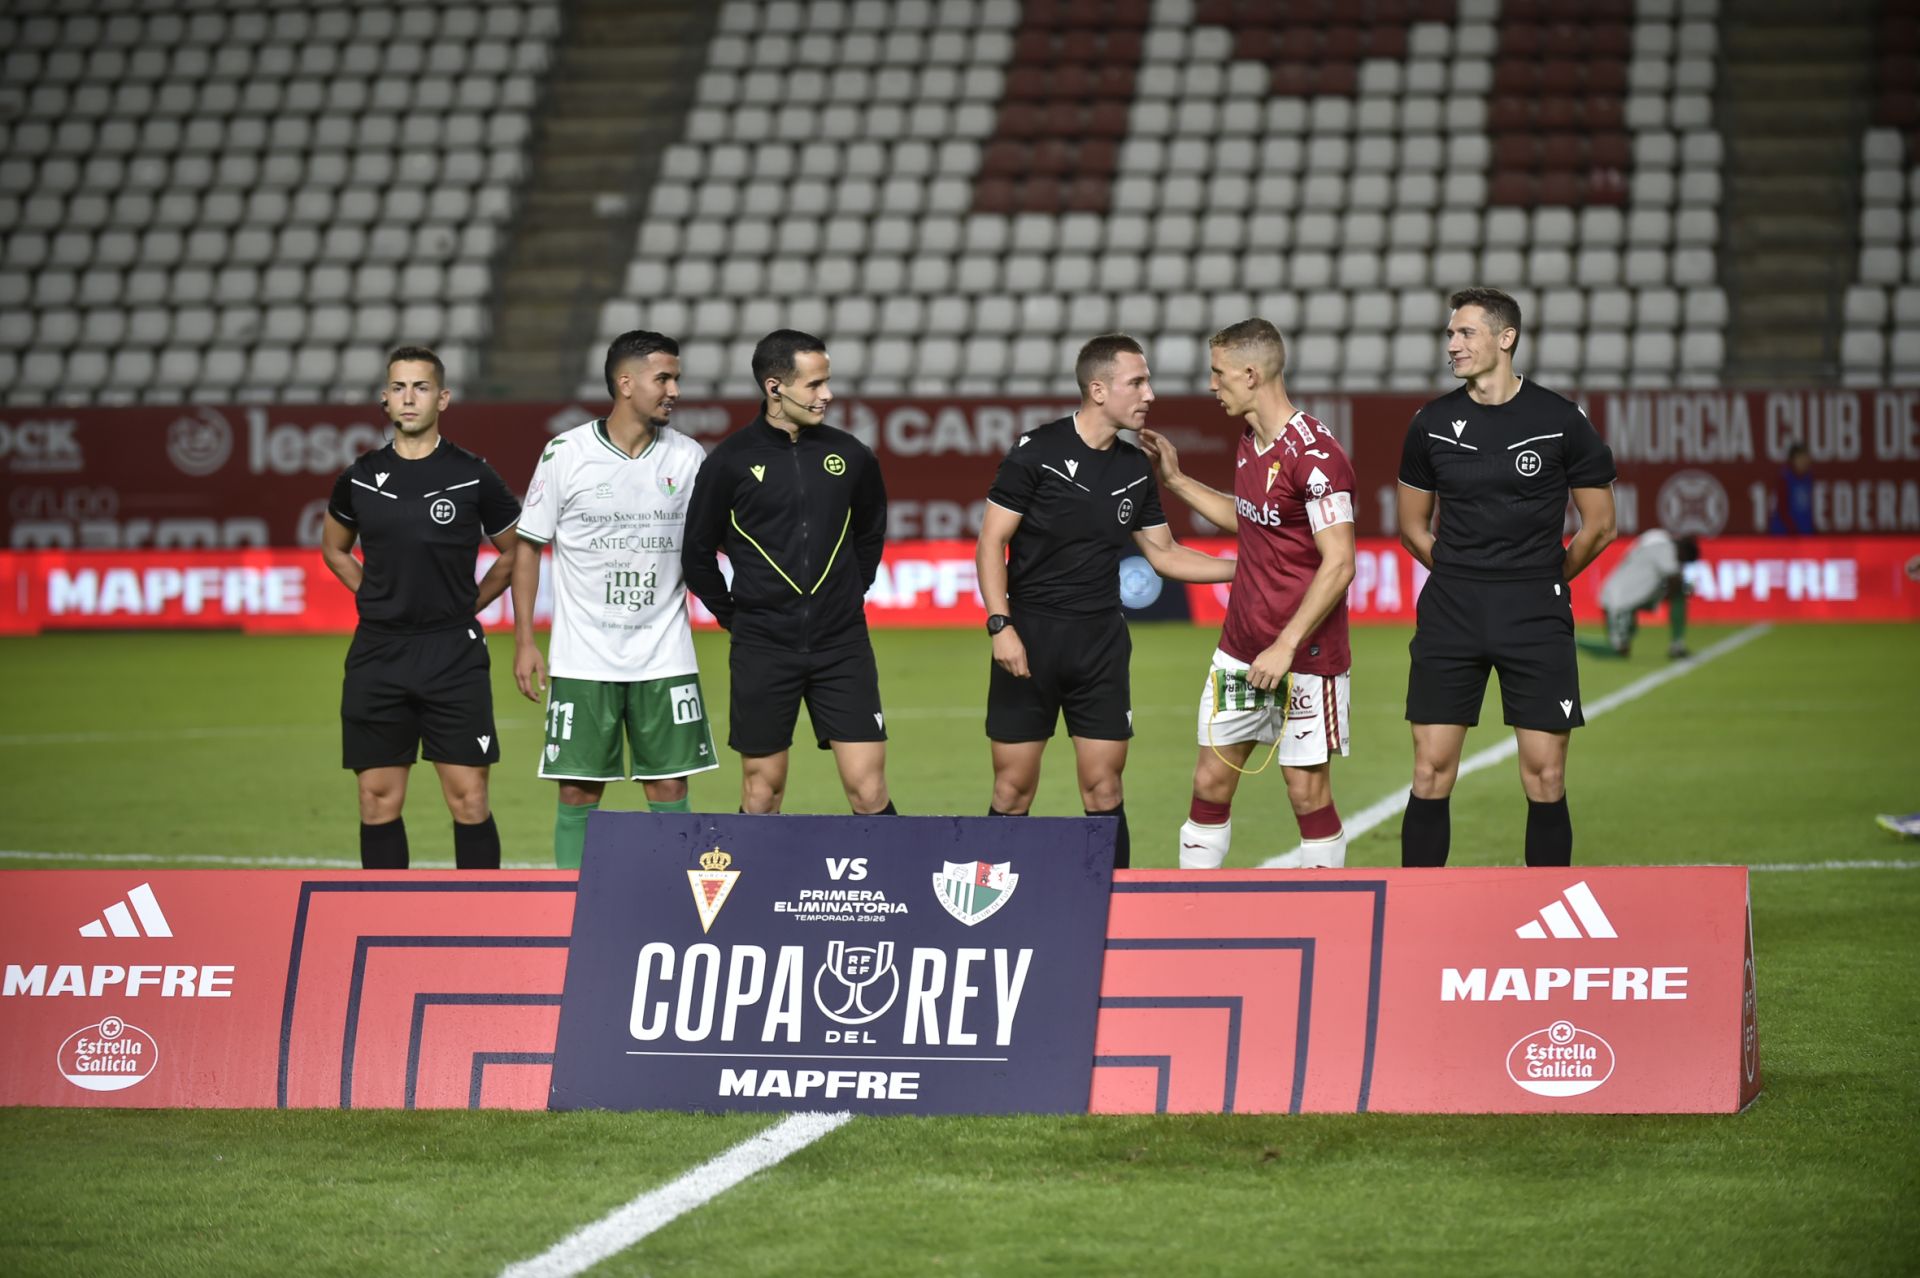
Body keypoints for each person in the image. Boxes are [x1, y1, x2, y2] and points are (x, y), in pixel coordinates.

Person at [975, 333, 1235, 869]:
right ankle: (993, 914)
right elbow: (990, 543)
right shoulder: (1037, 452)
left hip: (1100, 645)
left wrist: (1251, 570)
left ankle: (1119, 908)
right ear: (1098, 389)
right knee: (1012, 790)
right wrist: (1001, 625)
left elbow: (1164, 554)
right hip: (1029, 644)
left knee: (1104, 789)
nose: (1150, 394)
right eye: (1136, 382)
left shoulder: (1135, 466)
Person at [1396, 287, 1617, 868]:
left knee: (1545, 777)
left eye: (1466, 333)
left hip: (1535, 614)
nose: (1453, 344)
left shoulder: (1561, 420)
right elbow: (1413, 529)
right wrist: (1463, 577)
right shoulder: (1431, 423)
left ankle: (1547, 928)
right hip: (1451, 612)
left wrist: (1546, 578)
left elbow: (1600, 526)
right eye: (1450, 334)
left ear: (1505, 338)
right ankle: (1412, 925)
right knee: (1429, 770)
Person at [1138, 319, 1357, 870]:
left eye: (1218, 373)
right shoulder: (1250, 443)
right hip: (1240, 650)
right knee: (1210, 781)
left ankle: (1321, 925)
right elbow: (1251, 522)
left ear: (1251, 374)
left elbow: (1341, 562)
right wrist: (1178, 481)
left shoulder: (1318, 456)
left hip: (1304, 657)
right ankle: (1195, 920)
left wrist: (1284, 646)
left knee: (1306, 793)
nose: (1211, 385)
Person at [510, 330, 717, 869]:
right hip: (582, 658)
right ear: (625, 383)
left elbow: (713, 547)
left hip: (665, 655)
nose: (674, 390)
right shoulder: (566, 453)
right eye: (663, 378)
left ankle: (681, 906)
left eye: (676, 379)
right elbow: (529, 548)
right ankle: (570, 910)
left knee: (670, 787)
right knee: (578, 792)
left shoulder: (690, 458)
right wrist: (526, 642)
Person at [321, 345, 522, 869]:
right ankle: (383, 924)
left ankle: (482, 931)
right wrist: (370, 593)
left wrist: (469, 603)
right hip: (378, 654)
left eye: (422, 387)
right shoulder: (360, 476)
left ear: (443, 398)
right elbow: (334, 548)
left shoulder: (474, 475)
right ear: (385, 400)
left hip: (452, 654)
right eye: (399, 388)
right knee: (376, 801)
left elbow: (517, 553)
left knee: (469, 799)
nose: (409, 398)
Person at [681, 329, 895, 815]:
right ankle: (748, 892)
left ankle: (888, 888)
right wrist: (736, 615)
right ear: (775, 387)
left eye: (827, 382)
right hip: (763, 645)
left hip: (842, 642)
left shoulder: (853, 456)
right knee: (762, 793)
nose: (828, 394)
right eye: (815, 384)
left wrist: (847, 594)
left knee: (868, 789)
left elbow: (869, 534)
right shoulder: (729, 462)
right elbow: (696, 553)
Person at [1576, 528, 1701, 660]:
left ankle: (1677, 646)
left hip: (1630, 596)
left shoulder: (1657, 537)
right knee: (1618, 651)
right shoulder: (1666, 549)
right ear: (1683, 551)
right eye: (1684, 561)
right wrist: (1668, 596)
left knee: (1680, 590)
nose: (1681, 565)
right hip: (1619, 602)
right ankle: (1574, 642)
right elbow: (1674, 580)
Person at [1768, 442, 1815, 534]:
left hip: (1803, 534)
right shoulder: (1785, 479)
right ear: (1792, 460)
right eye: (1800, 458)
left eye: (1805, 458)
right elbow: (1782, 510)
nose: (1804, 461)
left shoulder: (1808, 479)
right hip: (1785, 536)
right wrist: (1794, 530)